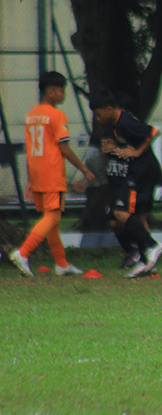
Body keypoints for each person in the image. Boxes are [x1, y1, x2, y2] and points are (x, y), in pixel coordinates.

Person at [8, 72, 97, 277]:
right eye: (60, 90)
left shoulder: (31, 115)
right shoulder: (56, 116)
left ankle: (61, 263)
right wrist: (84, 170)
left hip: (37, 172)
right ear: (50, 92)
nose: (63, 94)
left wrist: (32, 178)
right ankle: (23, 252)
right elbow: (64, 148)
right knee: (53, 215)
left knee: (52, 219)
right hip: (52, 172)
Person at [90, 91, 162, 279]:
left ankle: (152, 246)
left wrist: (138, 152)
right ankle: (147, 261)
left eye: (99, 114)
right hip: (137, 173)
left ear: (110, 109)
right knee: (138, 215)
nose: (98, 119)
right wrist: (116, 149)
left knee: (121, 213)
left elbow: (153, 132)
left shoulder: (125, 121)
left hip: (142, 173)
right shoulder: (115, 125)